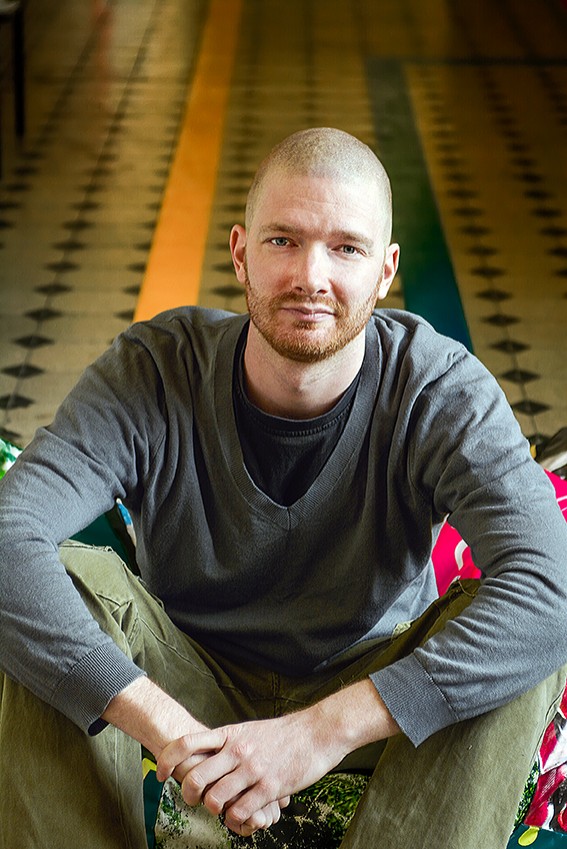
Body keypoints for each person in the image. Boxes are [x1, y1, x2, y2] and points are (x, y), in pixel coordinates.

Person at [0, 127, 566, 849]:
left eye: (347, 248)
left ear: (386, 269)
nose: (311, 276)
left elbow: (552, 585)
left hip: (367, 699)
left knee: (520, 636)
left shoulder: (437, 388)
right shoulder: (155, 370)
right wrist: (163, 726)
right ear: (240, 252)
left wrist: (316, 733)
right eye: (282, 241)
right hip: (184, 681)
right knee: (52, 592)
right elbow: (10, 535)